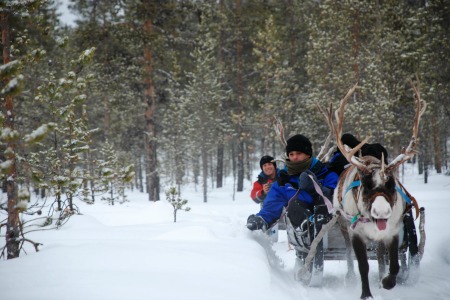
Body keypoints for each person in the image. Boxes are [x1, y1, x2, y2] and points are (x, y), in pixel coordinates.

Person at [246, 134, 339, 232]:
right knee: (294, 205)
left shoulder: (326, 173)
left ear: (308, 154)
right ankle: (306, 226)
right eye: (291, 154)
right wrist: (261, 219)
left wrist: (314, 189)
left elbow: (336, 198)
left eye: (299, 153)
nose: (294, 157)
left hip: (332, 228)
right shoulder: (284, 180)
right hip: (303, 234)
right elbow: (273, 203)